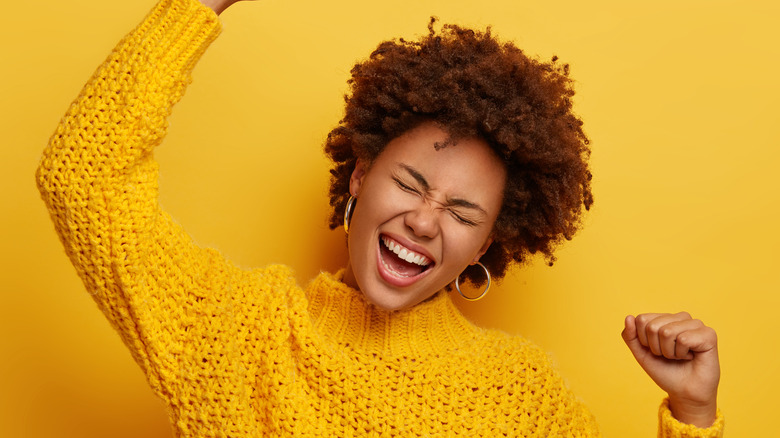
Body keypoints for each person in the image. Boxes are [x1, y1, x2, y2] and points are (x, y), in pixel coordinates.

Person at [36, 0, 723, 435]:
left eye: (461, 212)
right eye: (411, 184)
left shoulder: (521, 397)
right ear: (361, 176)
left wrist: (693, 414)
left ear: (489, 240)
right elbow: (81, 177)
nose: (425, 222)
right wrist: (192, 8)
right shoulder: (233, 330)